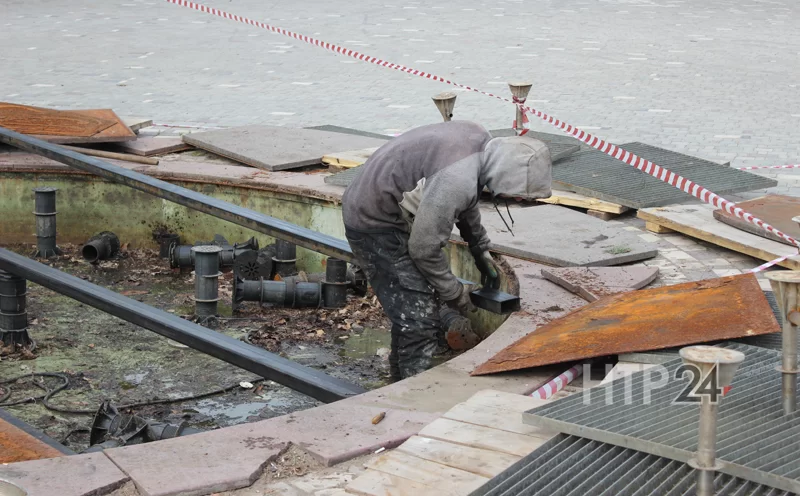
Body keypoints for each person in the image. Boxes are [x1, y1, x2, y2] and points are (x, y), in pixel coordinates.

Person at [342, 120, 552, 380]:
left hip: (377, 202)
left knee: (413, 310)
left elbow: (465, 201)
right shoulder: (457, 177)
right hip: (373, 222)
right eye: (518, 194)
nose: (518, 200)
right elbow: (424, 248)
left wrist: (479, 247)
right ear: (504, 173)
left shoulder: (480, 142)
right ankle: (409, 395)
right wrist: (455, 293)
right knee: (418, 321)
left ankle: (397, 377)